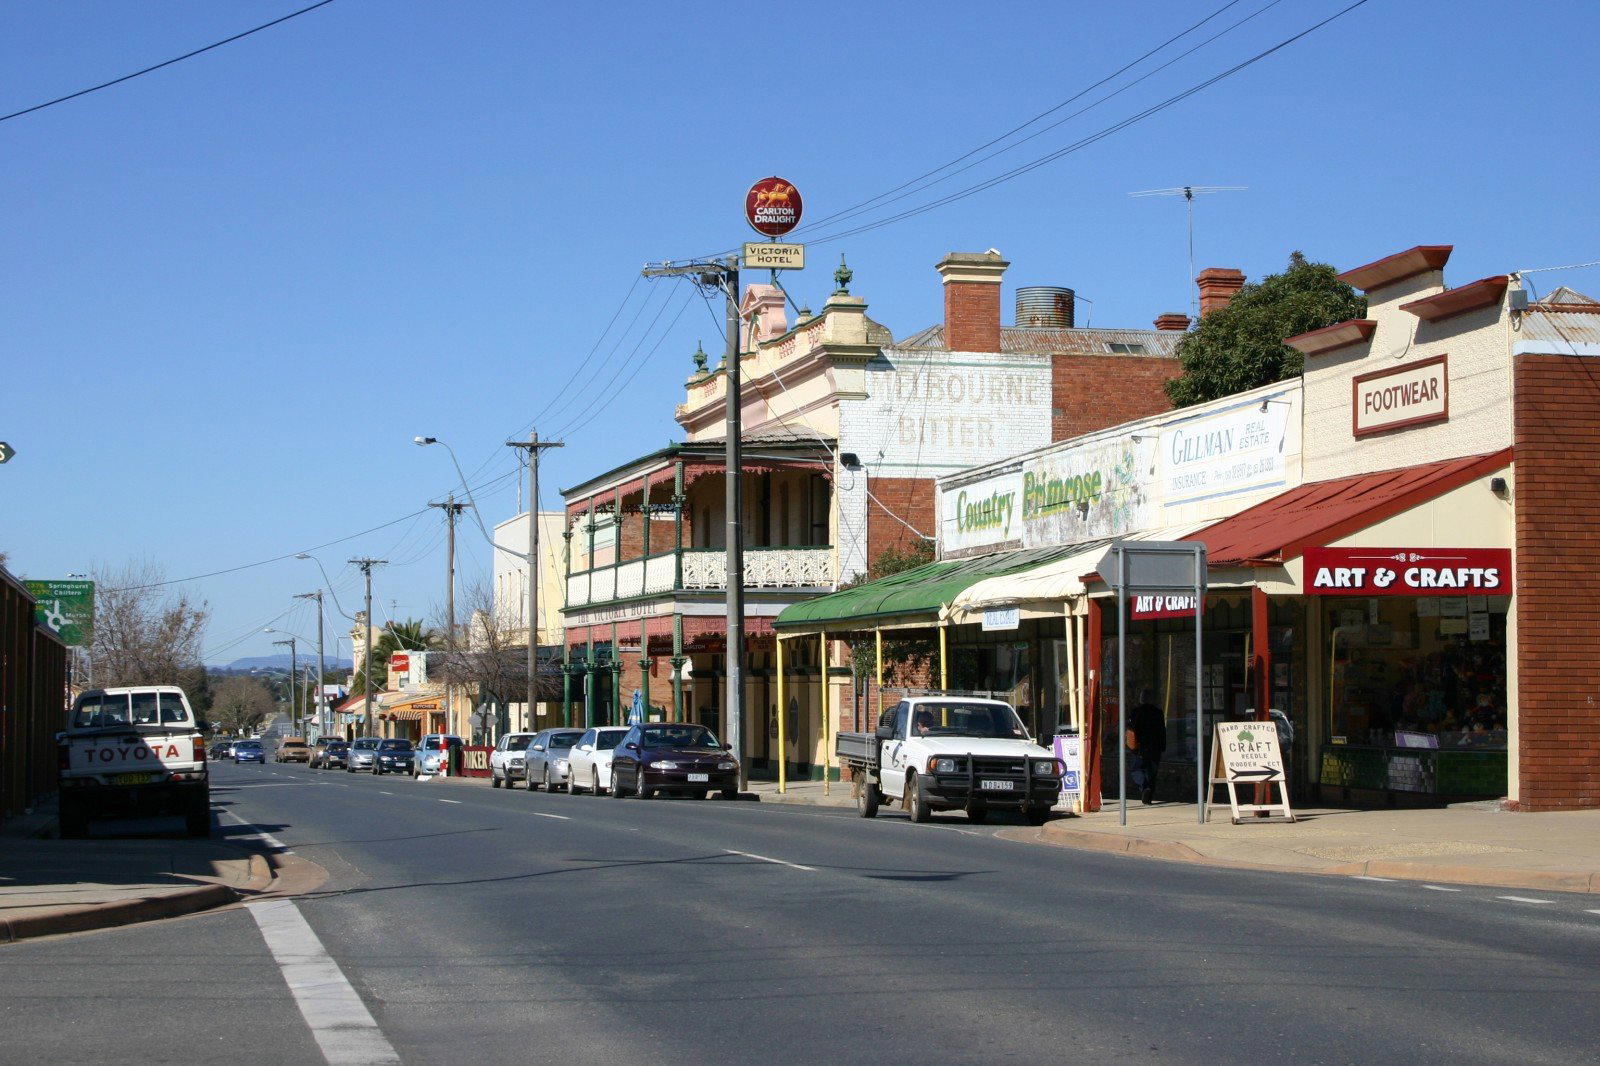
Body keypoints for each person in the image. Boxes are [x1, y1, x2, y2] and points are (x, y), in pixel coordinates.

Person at [1126, 688, 1167, 805]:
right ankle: (1148, 795)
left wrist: (1130, 746)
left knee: (1137, 770)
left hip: (1140, 747)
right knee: (1152, 772)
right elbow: (1162, 731)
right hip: (1155, 747)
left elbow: (1131, 730)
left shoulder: (1136, 712)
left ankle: (1144, 787)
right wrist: (1162, 746)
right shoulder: (1158, 712)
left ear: (1141, 699)